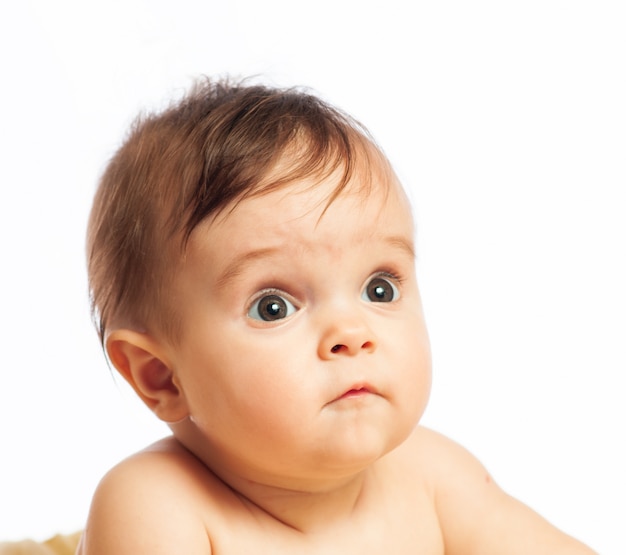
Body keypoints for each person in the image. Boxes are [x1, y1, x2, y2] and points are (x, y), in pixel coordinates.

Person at [77, 77, 595, 554]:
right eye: (272, 306)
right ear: (161, 375)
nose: (353, 334)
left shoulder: (432, 474)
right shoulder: (155, 505)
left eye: (380, 288)